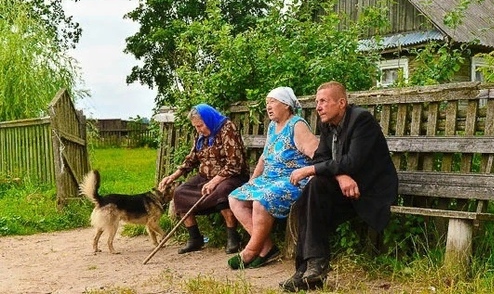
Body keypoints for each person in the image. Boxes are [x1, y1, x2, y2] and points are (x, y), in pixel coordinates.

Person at [279, 81, 398, 292]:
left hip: (370, 191)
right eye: (317, 102)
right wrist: (341, 176)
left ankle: (311, 267)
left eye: (323, 101)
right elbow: (321, 158)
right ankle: (310, 268)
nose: (318, 107)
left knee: (313, 186)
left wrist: (312, 170)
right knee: (310, 194)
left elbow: (353, 161)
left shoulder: (362, 120)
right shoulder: (327, 124)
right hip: (348, 188)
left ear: (341, 103)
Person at [227, 87, 319, 269]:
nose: (268, 106)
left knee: (261, 201)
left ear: (286, 105)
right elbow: (265, 156)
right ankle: (267, 247)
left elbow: (317, 152)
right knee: (235, 198)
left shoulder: (297, 125)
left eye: (272, 102)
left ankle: (251, 251)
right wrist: (253, 179)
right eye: (267, 103)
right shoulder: (272, 126)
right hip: (269, 179)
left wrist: (310, 172)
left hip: (292, 179)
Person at [158, 103, 249, 254]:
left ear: (209, 119)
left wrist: (215, 181)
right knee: (180, 192)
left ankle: (233, 237)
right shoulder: (201, 135)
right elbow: (192, 158)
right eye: (196, 127)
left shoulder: (227, 128)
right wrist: (173, 176)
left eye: (200, 126)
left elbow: (235, 163)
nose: (198, 130)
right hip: (205, 176)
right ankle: (195, 238)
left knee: (222, 191)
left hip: (232, 176)